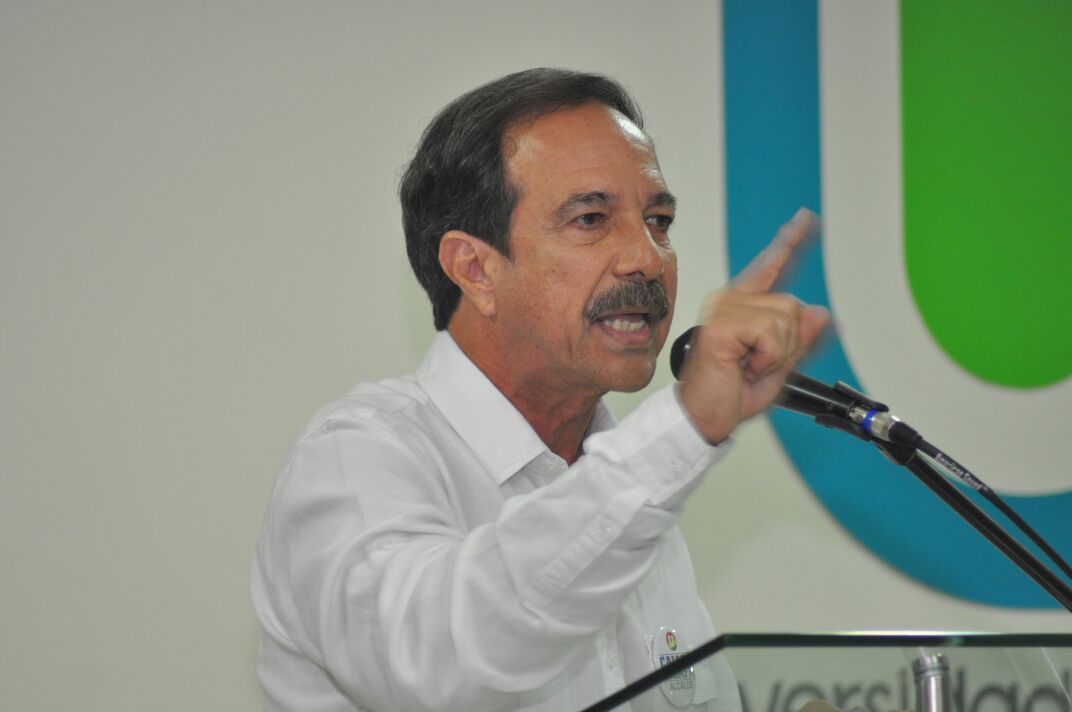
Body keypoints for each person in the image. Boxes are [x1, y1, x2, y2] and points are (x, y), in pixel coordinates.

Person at [250, 68, 828, 712]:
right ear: (475, 268)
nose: (647, 257)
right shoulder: (359, 455)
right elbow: (438, 664)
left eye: (658, 220)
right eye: (591, 219)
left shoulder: (627, 497)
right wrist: (684, 428)